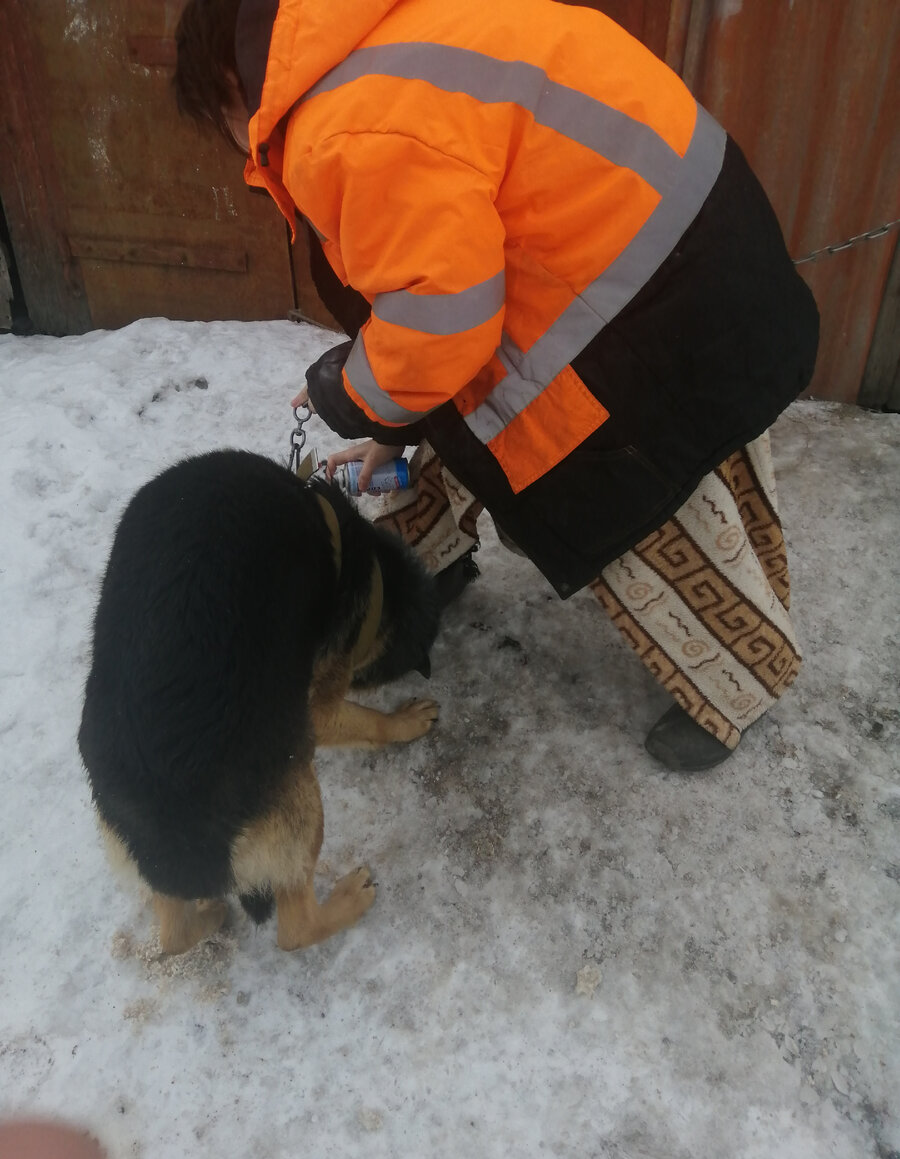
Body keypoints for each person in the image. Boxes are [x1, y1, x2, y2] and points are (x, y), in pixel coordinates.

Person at [173, 0, 819, 771]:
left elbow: (440, 324)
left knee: (650, 516)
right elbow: (438, 301)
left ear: (226, 81)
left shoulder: (337, 129)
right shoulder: (390, 33)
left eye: (220, 125)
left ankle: (738, 684)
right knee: (444, 412)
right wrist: (387, 420)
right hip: (671, 253)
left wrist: (347, 393)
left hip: (638, 321)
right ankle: (420, 571)